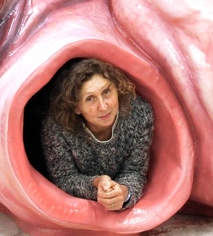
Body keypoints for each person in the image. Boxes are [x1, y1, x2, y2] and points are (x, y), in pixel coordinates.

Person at [41, 59, 154, 212]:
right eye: (90, 99)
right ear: (76, 107)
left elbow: (135, 171)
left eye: (106, 92)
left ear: (117, 89)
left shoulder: (139, 113)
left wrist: (123, 193)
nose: (103, 106)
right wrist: (96, 184)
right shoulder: (57, 126)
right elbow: (64, 178)